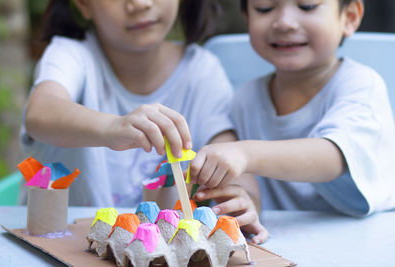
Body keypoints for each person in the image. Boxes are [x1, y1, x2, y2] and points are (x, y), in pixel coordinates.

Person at [20, 0, 266, 241]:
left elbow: (228, 156)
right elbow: (41, 112)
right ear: (83, 4)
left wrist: (244, 201)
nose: (140, 4)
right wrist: (113, 127)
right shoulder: (70, 54)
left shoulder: (202, 70)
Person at [190, 0, 395, 217]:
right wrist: (248, 205)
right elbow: (247, 185)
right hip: (280, 245)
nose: (285, 23)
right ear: (247, 17)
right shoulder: (245, 99)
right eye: (265, 9)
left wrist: (244, 153)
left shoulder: (361, 85)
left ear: (350, 16)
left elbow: (335, 156)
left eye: (307, 6)